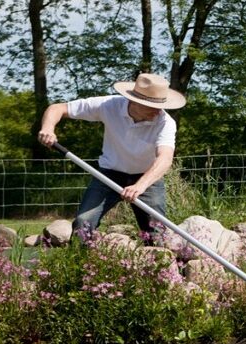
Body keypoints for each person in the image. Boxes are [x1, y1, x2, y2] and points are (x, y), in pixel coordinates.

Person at [37, 73, 186, 242]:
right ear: (135, 101)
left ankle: (157, 266)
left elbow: (165, 158)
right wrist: (48, 128)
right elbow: (58, 108)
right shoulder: (109, 105)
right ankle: (83, 264)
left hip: (146, 177)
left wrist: (140, 186)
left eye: (160, 105)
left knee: (157, 233)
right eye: (152, 106)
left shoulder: (165, 122)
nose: (158, 111)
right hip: (109, 175)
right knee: (83, 223)